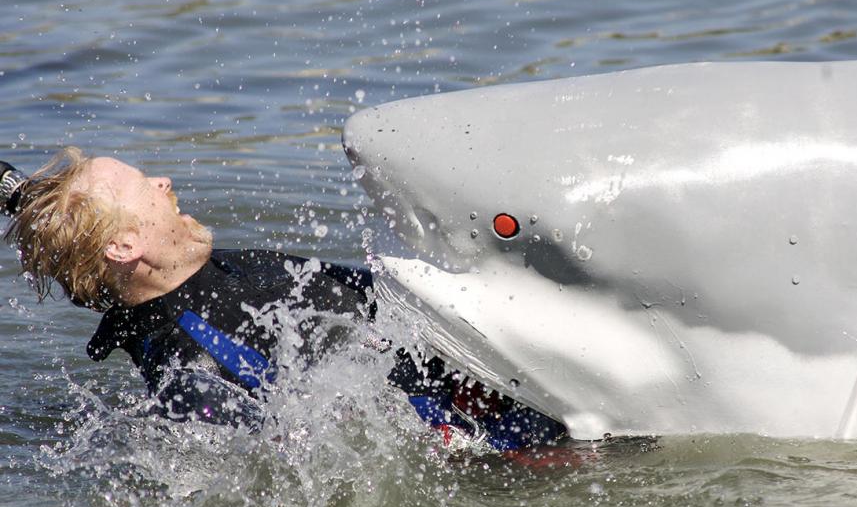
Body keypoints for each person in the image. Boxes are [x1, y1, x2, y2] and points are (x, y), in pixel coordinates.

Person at [1, 147, 566, 451]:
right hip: (516, 437)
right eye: (144, 184)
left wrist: (21, 194)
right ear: (125, 246)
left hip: (492, 351)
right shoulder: (189, 365)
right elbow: (278, 452)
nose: (164, 183)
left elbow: (46, 208)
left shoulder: (170, 270)